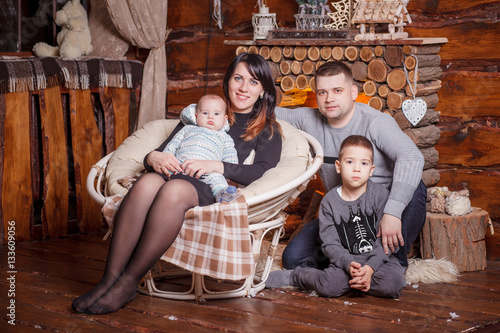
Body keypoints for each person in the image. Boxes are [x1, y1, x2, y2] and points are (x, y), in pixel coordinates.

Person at [72, 52, 282, 315]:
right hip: (175, 171)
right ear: (228, 81)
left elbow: (264, 172)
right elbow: (163, 150)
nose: (243, 87)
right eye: (238, 78)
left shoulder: (267, 130)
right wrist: (153, 157)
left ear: (263, 90)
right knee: (148, 182)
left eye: (253, 82)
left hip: (207, 183)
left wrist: (218, 166)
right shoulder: (200, 113)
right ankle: (107, 281)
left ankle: (127, 283)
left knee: (173, 191)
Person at [275, 61, 426, 270]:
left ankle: (391, 261)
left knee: (416, 188)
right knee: (293, 259)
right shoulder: (308, 120)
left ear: (353, 92)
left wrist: (392, 212)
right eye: (322, 92)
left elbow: (412, 157)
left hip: (382, 207)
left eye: (337, 90)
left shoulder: (375, 122)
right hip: (344, 208)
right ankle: (350, 261)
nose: (329, 99)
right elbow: (268, 115)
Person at [266, 135, 406, 298]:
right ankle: (297, 276)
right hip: (347, 261)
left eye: (364, 163)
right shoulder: (330, 202)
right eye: (349, 162)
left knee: (392, 284)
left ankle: (356, 283)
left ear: (371, 170)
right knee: (329, 287)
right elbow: (330, 244)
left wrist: (370, 268)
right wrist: (348, 265)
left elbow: (386, 242)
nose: (356, 168)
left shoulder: (380, 195)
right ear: (338, 166)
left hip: (379, 261)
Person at [162, 94, 238, 202]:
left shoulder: (225, 138)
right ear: (197, 116)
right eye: (205, 113)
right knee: (165, 170)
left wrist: (230, 177)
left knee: (216, 178)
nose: (210, 117)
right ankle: (162, 180)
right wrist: (167, 157)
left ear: (225, 119)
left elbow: (230, 159)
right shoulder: (187, 129)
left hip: (206, 170)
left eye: (216, 114)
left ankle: (221, 194)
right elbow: (173, 144)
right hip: (180, 164)